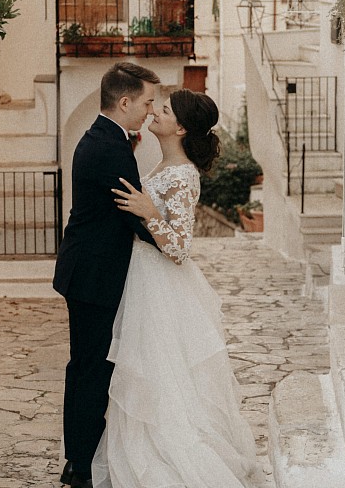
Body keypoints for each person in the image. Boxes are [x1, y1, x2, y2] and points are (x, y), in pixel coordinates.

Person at [92, 88, 260, 488]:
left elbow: (181, 248)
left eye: (163, 110)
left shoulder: (182, 175)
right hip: (144, 277)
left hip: (160, 284)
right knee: (151, 369)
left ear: (181, 127)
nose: (155, 112)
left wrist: (150, 214)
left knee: (159, 371)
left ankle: (168, 457)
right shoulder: (164, 166)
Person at [54, 62, 162, 488]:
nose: (151, 111)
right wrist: (170, 243)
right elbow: (133, 215)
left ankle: (78, 458)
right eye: (147, 102)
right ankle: (81, 466)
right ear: (124, 101)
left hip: (88, 270)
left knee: (86, 367)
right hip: (93, 276)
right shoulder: (110, 148)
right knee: (91, 369)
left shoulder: (103, 138)